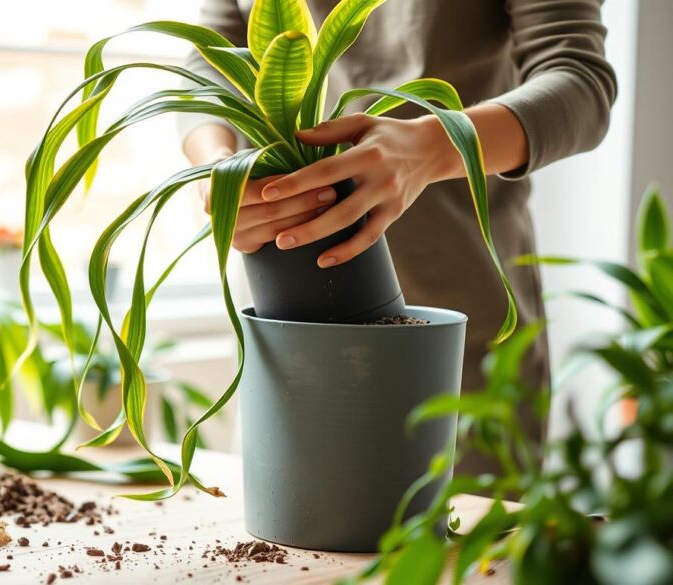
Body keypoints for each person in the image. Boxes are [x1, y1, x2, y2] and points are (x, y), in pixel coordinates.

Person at [178, 0, 617, 474]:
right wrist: (219, 172)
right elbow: (213, 53)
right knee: (292, 530)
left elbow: (579, 81)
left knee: (458, 536)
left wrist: (431, 147)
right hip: (288, 308)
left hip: (454, 317)